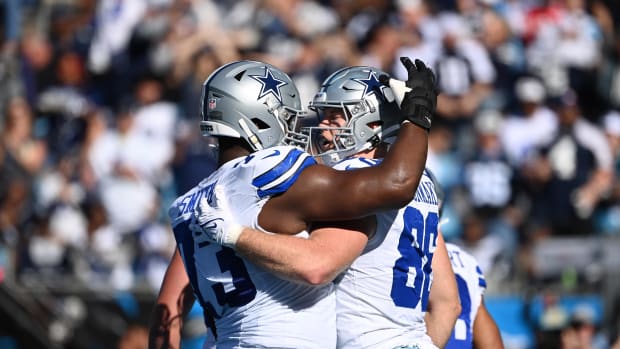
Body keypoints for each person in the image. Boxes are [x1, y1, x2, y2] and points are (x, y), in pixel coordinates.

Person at [149, 58, 438, 349]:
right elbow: (395, 185)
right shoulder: (272, 171)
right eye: (287, 118)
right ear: (259, 119)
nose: (301, 129)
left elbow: (167, 311)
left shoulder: (188, 204)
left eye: (333, 117)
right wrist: (417, 118)